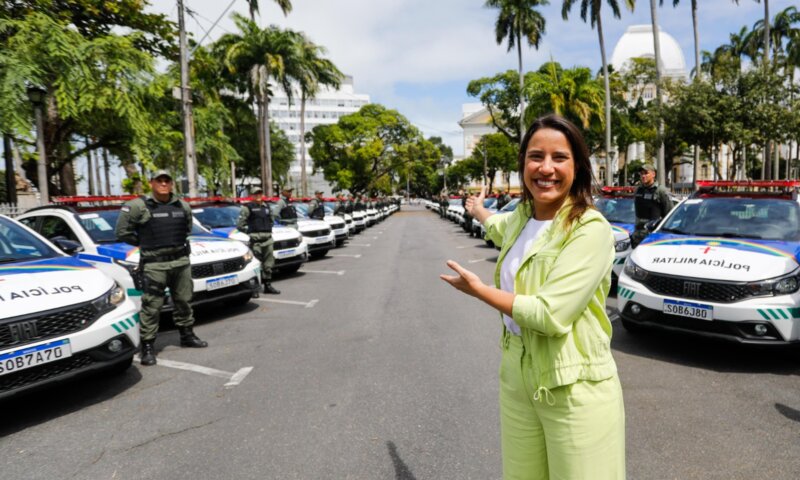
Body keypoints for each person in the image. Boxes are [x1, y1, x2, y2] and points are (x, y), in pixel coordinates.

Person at [440, 114, 625, 480]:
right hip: (518, 377)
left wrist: (479, 290)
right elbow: (497, 226)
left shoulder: (590, 229)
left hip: (574, 386)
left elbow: (549, 314)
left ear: (579, 167)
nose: (546, 168)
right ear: (523, 163)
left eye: (560, 157)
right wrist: (477, 209)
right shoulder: (523, 216)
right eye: (535, 156)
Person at [115, 170, 208, 366]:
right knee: (152, 305)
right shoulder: (137, 206)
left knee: (184, 300)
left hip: (181, 261)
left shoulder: (182, 205)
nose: (164, 183)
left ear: (171, 184)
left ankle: (187, 335)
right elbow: (122, 232)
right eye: (160, 180)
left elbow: (187, 229)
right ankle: (148, 346)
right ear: (152, 183)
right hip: (155, 263)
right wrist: (146, 242)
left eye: (167, 180)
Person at [237, 187, 280, 294]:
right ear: (251, 195)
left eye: (260, 193)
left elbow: (271, 221)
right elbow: (240, 225)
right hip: (256, 241)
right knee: (256, 265)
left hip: (268, 239)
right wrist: (251, 232)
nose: (258, 195)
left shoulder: (267, 206)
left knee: (268, 264)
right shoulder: (247, 208)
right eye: (256, 194)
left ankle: (267, 286)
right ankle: (255, 289)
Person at [632, 163, 672, 247]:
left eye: (646, 173)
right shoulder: (638, 190)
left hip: (653, 236)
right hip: (637, 235)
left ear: (653, 174)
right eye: (641, 174)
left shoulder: (661, 191)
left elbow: (669, 214)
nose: (643, 176)